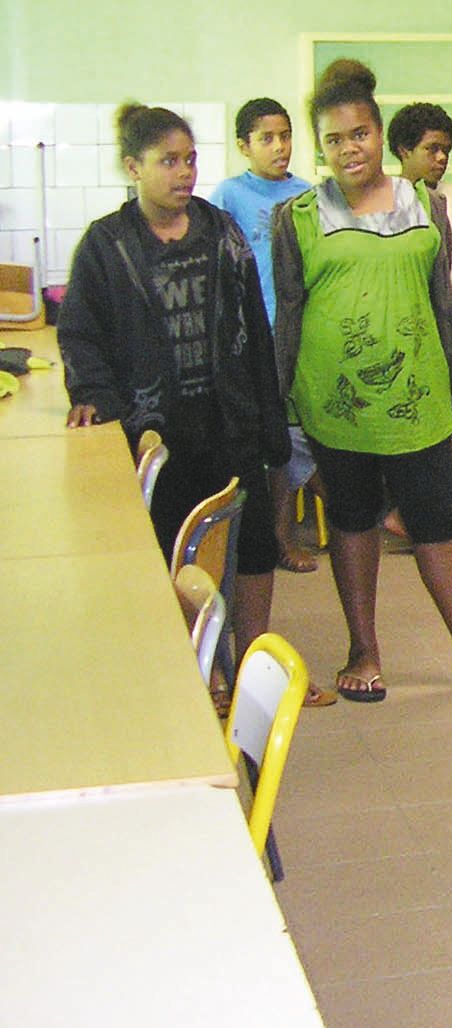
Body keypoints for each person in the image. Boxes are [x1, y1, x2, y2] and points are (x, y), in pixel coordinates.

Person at [272, 59, 452, 704]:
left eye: (360, 134)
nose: (350, 149)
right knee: (352, 520)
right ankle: (363, 651)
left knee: (434, 523)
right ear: (320, 146)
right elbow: (290, 313)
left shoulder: (426, 206)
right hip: (335, 402)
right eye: (334, 139)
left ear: (380, 134)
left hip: (416, 401)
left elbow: (440, 307)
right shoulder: (298, 216)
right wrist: (282, 407)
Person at [61, 103, 306, 694]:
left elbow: (255, 326)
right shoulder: (106, 244)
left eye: (190, 159)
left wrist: (270, 418)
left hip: (231, 421)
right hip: (157, 433)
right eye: (168, 161)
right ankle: (198, 670)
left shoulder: (221, 232)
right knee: (175, 553)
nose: (184, 173)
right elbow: (81, 333)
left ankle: (250, 666)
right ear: (133, 167)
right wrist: (93, 394)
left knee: (253, 547)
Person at [209, 97, 318, 574]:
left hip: (302, 336)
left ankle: (284, 535)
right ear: (243, 145)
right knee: (271, 443)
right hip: (253, 339)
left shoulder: (308, 194)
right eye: (267, 138)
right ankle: (269, 538)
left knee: (296, 439)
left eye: (286, 136)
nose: (280, 147)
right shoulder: (229, 195)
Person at [387, 102, 452, 552]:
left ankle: (409, 511)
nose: (441, 158)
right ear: (403, 149)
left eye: (447, 149)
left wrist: (441, 302)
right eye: (432, 149)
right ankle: (425, 520)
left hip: (450, 328)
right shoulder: (383, 200)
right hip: (398, 334)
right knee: (411, 430)